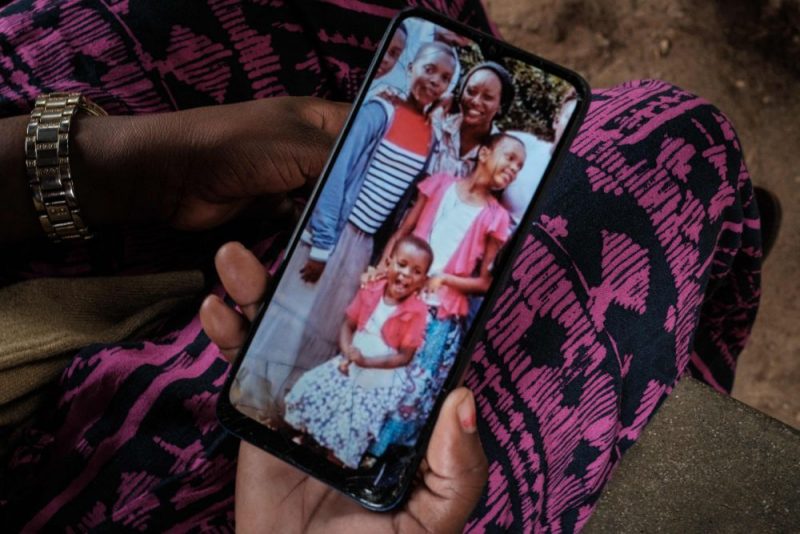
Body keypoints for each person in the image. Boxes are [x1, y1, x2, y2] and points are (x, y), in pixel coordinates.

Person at [0, 1, 761, 532]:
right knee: (667, 141)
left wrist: (126, 166)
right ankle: (727, 249)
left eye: (477, 97)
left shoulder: (462, 172)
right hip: (374, 277)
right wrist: (370, 259)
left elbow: (458, 251)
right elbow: (404, 222)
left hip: (415, 291)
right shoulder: (432, 167)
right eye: (466, 93)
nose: (474, 115)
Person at [233, 40, 456, 417]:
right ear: (411, 68)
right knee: (292, 317)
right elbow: (337, 173)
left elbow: (404, 201)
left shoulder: (430, 136)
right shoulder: (380, 110)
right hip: (334, 234)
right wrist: (322, 245)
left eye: (445, 78)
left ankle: (288, 408)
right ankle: (251, 399)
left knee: (326, 327)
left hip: (363, 245)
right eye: (429, 69)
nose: (434, 81)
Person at [368, 133, 525, 456]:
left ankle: (376, 457)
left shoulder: (496, 218)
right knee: (370, 369)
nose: (513, 169)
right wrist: (382, 268)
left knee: (408, 392)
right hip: (398, 298)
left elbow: (485, 283)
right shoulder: (439, 184)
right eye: (509, 158)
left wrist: (444, 279)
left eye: (519, 167)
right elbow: (403, 232)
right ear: (484, 153)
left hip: (438, 315)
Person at [284, 235, 432, 468]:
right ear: (389, 262)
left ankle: (331, 462)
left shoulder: (417, 312)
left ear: (423, 280)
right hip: (350, 363)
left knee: (351, 423)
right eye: (402, 264)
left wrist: (366, 362)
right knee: (318, 392)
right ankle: (306, 441)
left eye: (416, 271)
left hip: (376, 379)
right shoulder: (372, 289)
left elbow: (405, 356)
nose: (406, 274)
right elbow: (348, 324)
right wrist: (347, 351)